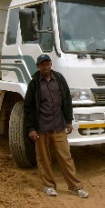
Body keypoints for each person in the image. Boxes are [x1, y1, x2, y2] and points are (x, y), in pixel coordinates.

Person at [24, 54, 89, 198]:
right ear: (38, 66)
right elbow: (28, 107)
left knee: (66, 157)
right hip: (41, 128)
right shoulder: (34, 83)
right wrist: (31, 128)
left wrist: (68, 121)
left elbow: (67, 101)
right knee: (44, 158)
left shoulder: (59, 79)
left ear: (51, 65)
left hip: (58, 126)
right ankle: (49, 186)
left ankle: (75, 187)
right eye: (42, 64)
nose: (46, 67)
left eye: (48, 64)